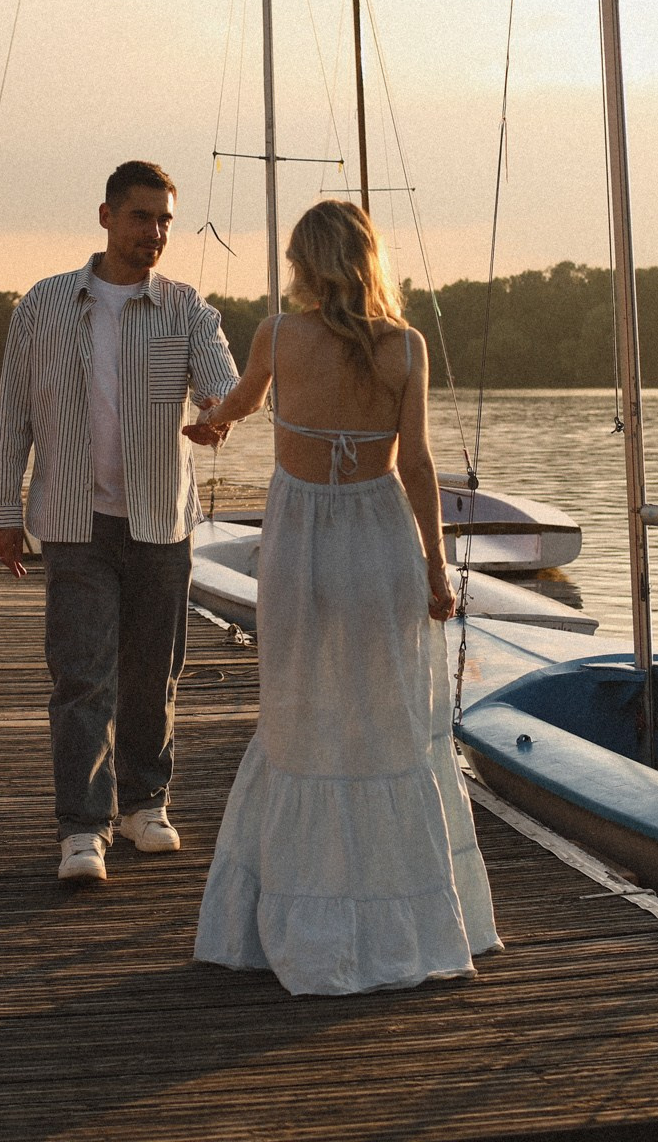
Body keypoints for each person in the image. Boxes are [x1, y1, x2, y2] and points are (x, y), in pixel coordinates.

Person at [186, 200, 498, 995]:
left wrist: (213, 422)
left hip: (300, 537)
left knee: (298, 709)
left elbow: (241, 401)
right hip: (380, 534)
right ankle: (409, 916)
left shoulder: (276, 335)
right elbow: (417, 464)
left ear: (304, 263)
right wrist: (436, 568)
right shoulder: (405, 345)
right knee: (385, 713)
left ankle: (299, 910)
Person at [0, 161, 241, 885]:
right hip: (75, 521)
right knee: (81, 677)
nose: (154, 232)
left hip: (161, 521)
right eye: (141, 217)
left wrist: (217, 416)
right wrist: (3, 511)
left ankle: (144, 804)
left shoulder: (188, 310)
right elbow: (13, 415)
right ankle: (82, 827)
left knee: (154, 673)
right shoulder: (42, 305)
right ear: (106, 216)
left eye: (165, 220)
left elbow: (223, 386)